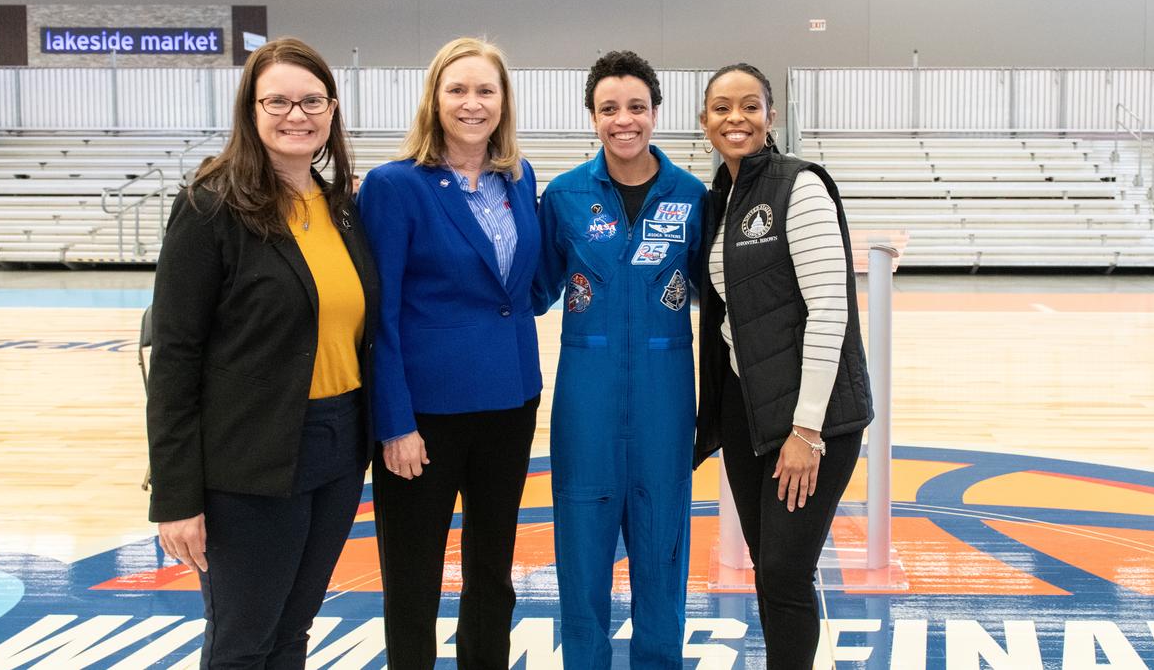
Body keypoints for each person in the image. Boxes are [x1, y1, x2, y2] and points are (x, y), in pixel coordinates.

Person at [146, 37, 379, 669]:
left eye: (311, 101)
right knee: (242, 641)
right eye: (277, 100)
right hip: (248, 460)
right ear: (251, 110)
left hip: (336, 447)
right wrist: (175, 498)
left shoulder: (342, 208)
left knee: (293, 629)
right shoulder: (209, 207)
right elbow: (173, 358)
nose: (295, 115)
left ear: (331, 110)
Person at [358, 37, 542, 670]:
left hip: (509, 403)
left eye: (485, 90)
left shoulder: (519, 179)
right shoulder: (393, 186)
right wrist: (395, 423)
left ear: (503, 101)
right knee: (413, 576)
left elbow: (522, 287)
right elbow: (378, 315)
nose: (472, 103)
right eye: (457, 90)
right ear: (434, 100)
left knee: (493, 569)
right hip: (425, 417)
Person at [693, 63, 873, 670]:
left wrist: (807, 430)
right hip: (749, 414)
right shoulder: (720, 197)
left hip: (810, 422)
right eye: (721, 108)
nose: (735, 118)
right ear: (704, 121)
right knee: (770, 573)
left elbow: (830, 309)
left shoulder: (799, 185)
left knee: (783, 573)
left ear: (773, 116)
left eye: (749, 106)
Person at [532, 51, 704, 669]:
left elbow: (722, 296)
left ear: (655, 113)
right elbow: (531, 289)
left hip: (665, 404)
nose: (623, 120)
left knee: (662, 555)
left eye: (636, 107)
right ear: (592, 116)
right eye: (609, 109)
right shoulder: (564, 197)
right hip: (586, 405)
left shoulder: (692, 196)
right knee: (581, 561)